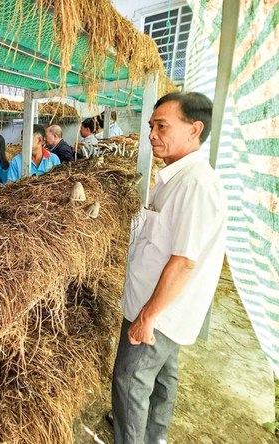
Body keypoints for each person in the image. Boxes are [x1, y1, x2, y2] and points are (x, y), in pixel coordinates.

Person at [110, 92, 226, 444]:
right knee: (162, 379)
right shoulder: (177, 178)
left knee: (130, 383)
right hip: (160, 309)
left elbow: (184, 261)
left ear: (195, 129)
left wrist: (148, 316)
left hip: (157, 312)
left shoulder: (194, 185)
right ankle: (154, 437)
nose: (152, 135)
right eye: (151, 126)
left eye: (162, 126)